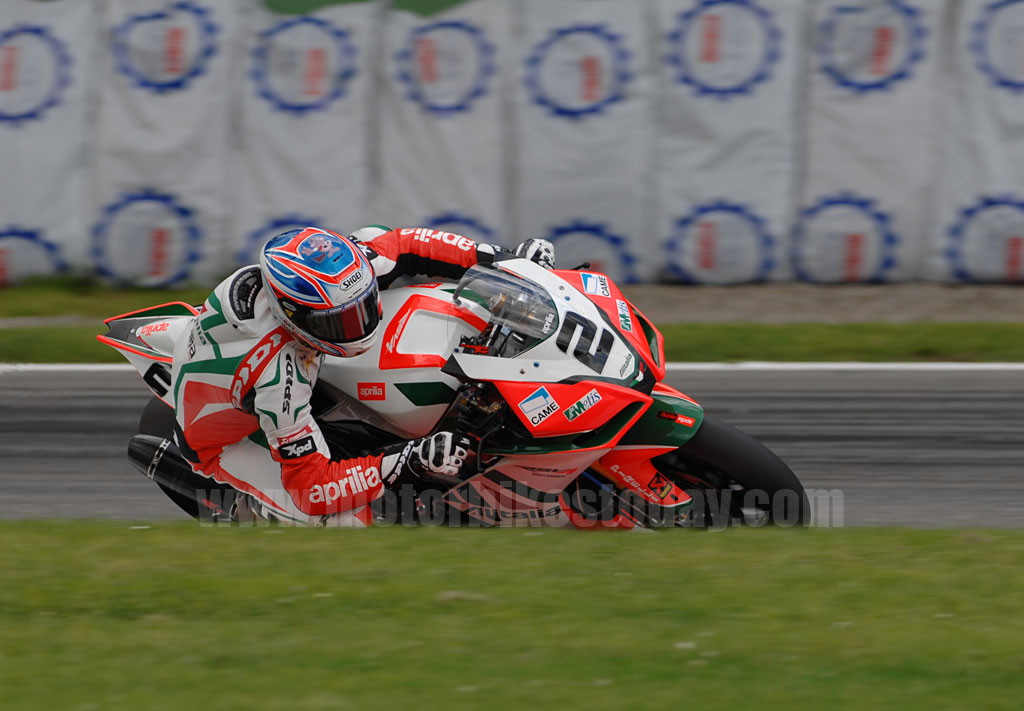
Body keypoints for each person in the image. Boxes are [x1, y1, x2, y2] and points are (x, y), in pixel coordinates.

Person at [169, 225, 555, 526]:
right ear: (294, 316)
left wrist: (505, 261)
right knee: (355, 520)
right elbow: (311, 487)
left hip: (287, 371)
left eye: (365, 304)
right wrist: (408, 459)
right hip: (229, 441)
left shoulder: (342, 274)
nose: (361, 325)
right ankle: (252, 512)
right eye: (339, 322)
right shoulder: (276, 379)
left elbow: (408, 243)